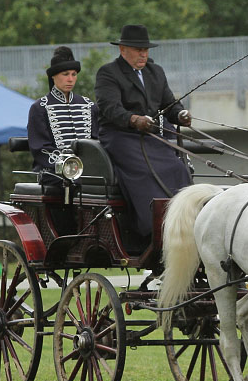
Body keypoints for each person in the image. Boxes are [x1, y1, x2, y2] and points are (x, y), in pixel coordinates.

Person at [94, 24, 192, 241]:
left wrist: (180, 114)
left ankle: (186, 219)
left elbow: (169, 103)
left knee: (177, 167)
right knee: (146, 172)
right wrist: (133, 119)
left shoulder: (155, 72)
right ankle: (152, 227)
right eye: (138, 49)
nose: (143, 54)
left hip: (150, 134)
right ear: (122, 50)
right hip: (120, 135)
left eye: (146, 50)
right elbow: (109, 108)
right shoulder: (108, 73)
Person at [27, 46, 98, 184]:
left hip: (88, 170)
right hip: (54, 172)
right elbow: (40, 148)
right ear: (53, 76)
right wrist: (69, 166)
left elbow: (97, 141)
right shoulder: (40, 108)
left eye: (74, 74)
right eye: (65, 74)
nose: (70, 79)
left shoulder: (89, 105)